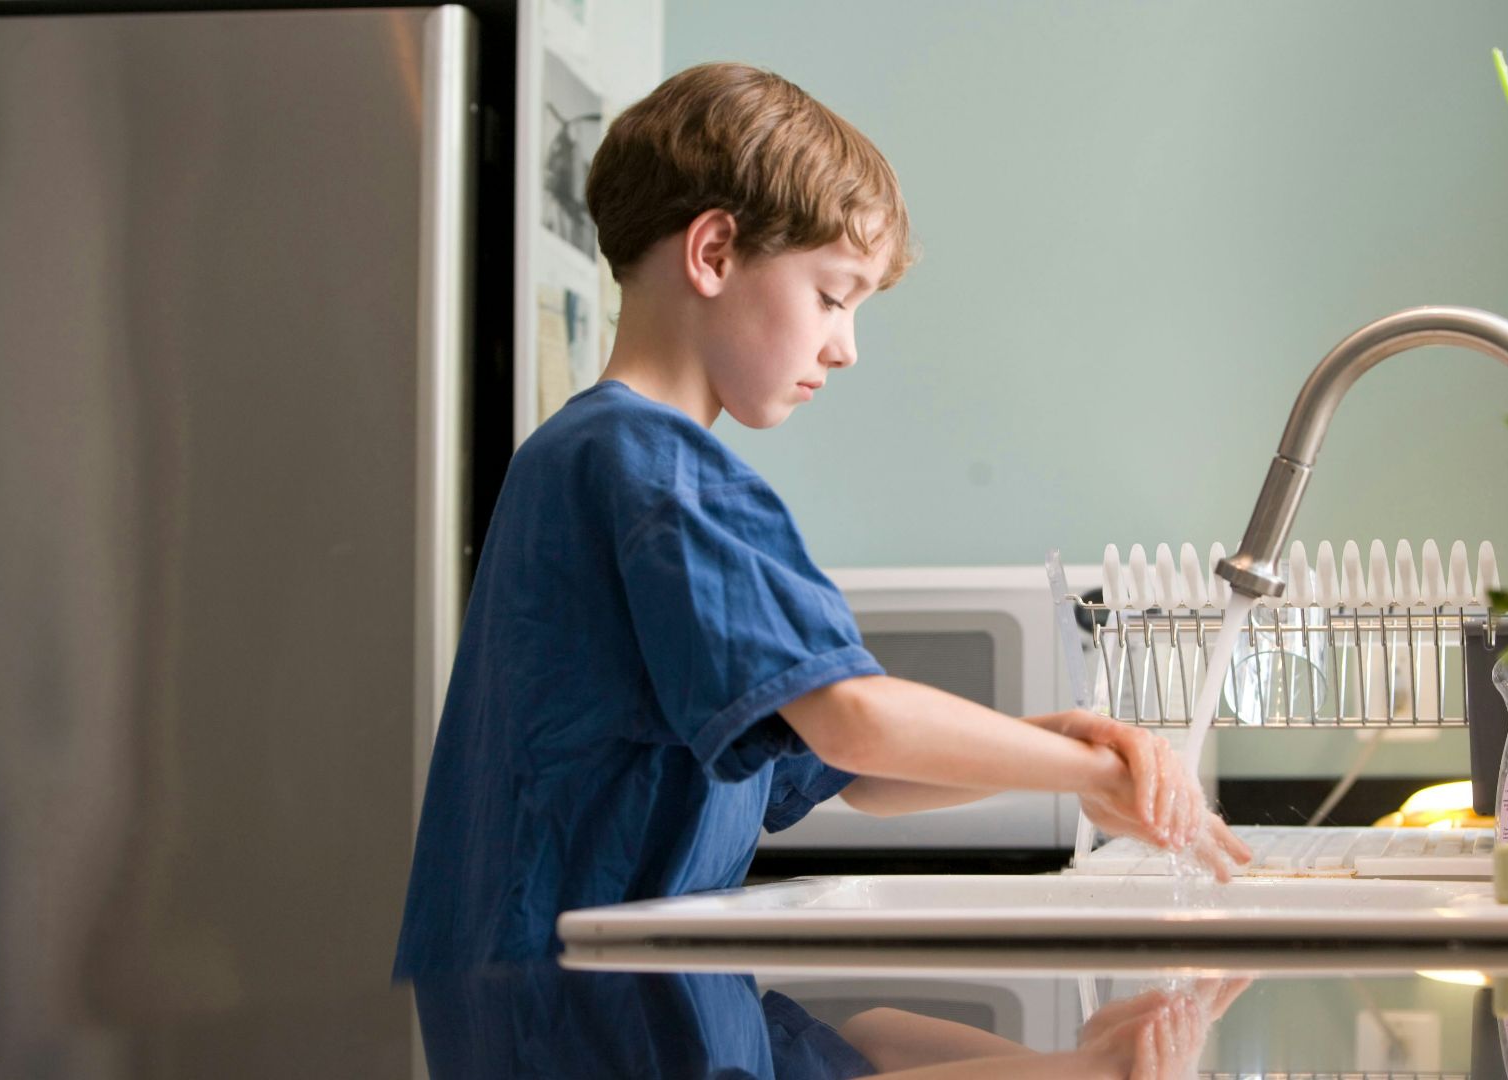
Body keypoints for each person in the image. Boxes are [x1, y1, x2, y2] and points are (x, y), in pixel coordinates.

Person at [393, 62, 1250, 979]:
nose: (845, 347)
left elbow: (852, 773)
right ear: (714, 253)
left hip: (541, 1000)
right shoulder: (662, 470)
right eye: (834, 296)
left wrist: (1065, 741)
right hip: (586, 1015)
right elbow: (852, 722)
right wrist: (1093, 774)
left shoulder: (585, 455)